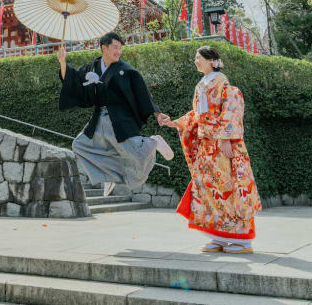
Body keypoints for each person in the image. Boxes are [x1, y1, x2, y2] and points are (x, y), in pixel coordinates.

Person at [158, 45, 261, 253]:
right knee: (209, 189)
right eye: (195, 57)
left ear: (212, 61)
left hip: (221, 145)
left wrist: (226, 138)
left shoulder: (224, 84)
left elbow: (232, 109)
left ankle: (242, 240)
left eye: (199, 58)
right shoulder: (201, 85)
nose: (196, 61)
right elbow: (197, 115)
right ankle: (218, 237)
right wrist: (177, 123)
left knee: (229, 187)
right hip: (206, 146)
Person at [57, 32, 175, 196]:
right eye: (115, 48)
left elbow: (142, 92)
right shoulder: (92, 68)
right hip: (99, 119)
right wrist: (62, 61)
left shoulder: (125, 70)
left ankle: (153, 142)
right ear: (104, 48)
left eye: (120, 48)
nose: (119, 52)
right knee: (79, 145)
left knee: (138, 153)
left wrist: (157, 113)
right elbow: (73, 81)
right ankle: (110, 176)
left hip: (119, 119)